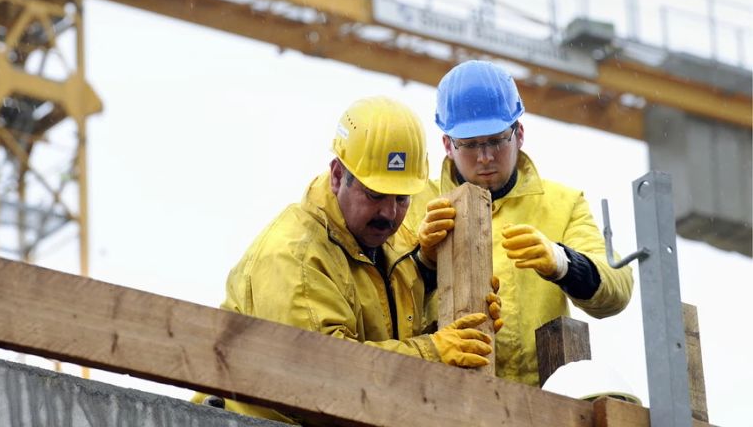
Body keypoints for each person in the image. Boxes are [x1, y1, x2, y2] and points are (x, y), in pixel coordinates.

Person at [195, 96, 501, 424]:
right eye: (375, 195)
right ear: (339, 176)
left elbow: (386, 337)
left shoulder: (389, 246)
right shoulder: (295, 257)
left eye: (402, 199)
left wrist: (445, 306)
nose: (389, 213)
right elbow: (323, 379)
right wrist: (433, 353)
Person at [407, 60, 634, 387]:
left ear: (519, 134)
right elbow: (385, 303)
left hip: (540, 406)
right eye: (470, 145)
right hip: (440, 396)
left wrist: (562, 262)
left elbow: (617, 289)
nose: (485, 156)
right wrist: (423, 263)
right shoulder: (414, 203)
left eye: (496, 140)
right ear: (447, 145)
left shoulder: (562, 204)